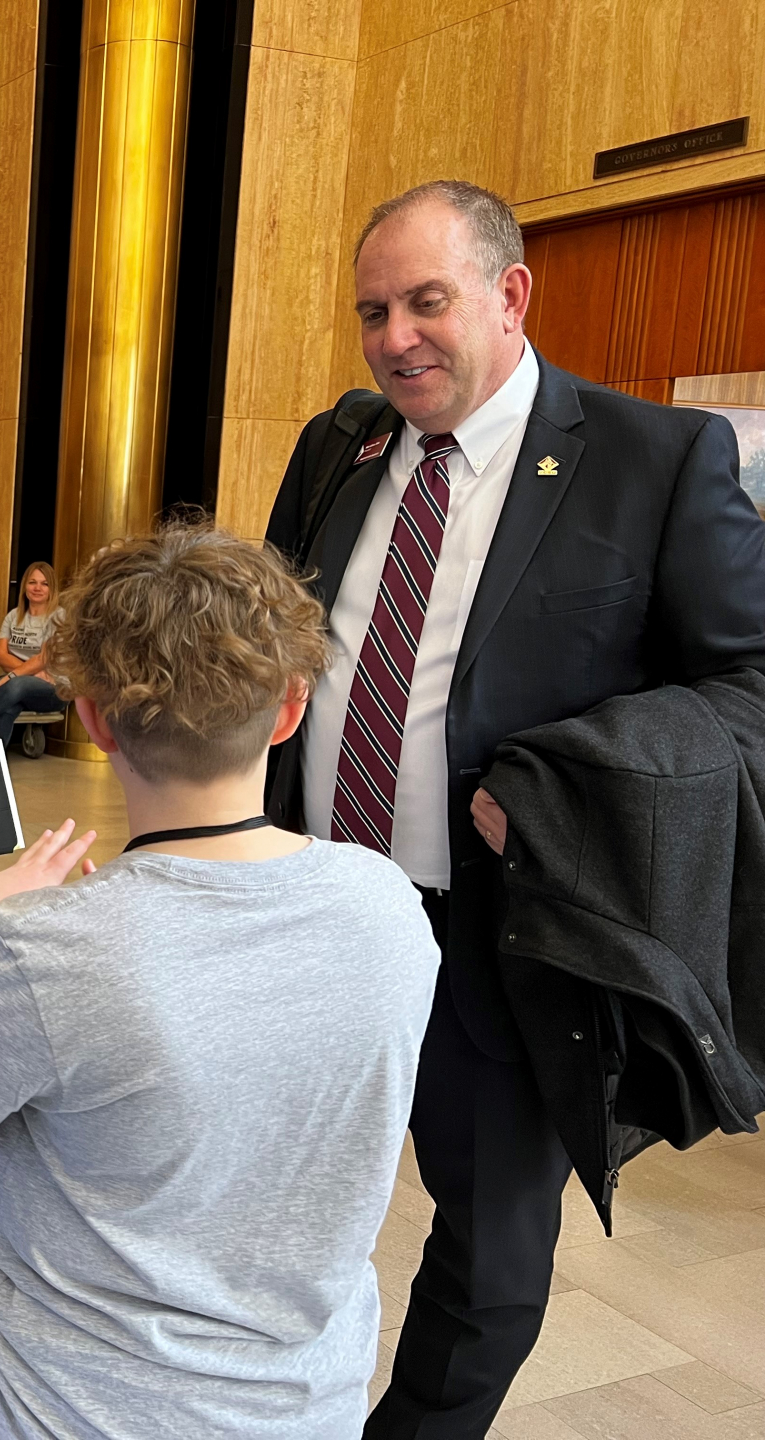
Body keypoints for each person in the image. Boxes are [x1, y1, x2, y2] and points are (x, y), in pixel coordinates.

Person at [263, 180, 765, 1438]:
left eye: (427, 302)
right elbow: (273, 641)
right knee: (275, 1196)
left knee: (488, 1260)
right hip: (311, 910)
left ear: (509, 293)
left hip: (499, 938)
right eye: (373, 310)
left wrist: (568, 781)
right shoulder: (341, 445)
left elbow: (752, 683)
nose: (395, 339)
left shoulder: (656, 462)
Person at [0, 525, 439, 1440]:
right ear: (290, 708)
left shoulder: (44, 945)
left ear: (91, 718)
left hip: (67, 1411)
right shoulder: (390, 903)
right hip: (309, 1406)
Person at [0, 561, 65, 745]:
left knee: (17, 686)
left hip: (54, 690)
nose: (37, 588)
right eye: (33, 582)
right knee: (10, 706)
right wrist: (32, 673)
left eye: (44, 583)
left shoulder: (58, 616)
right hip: (19, 687)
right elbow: (1, 655)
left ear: (52, 589)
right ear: (25, 585)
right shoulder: (13, 616)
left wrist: (14, 676)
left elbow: (44, 658)